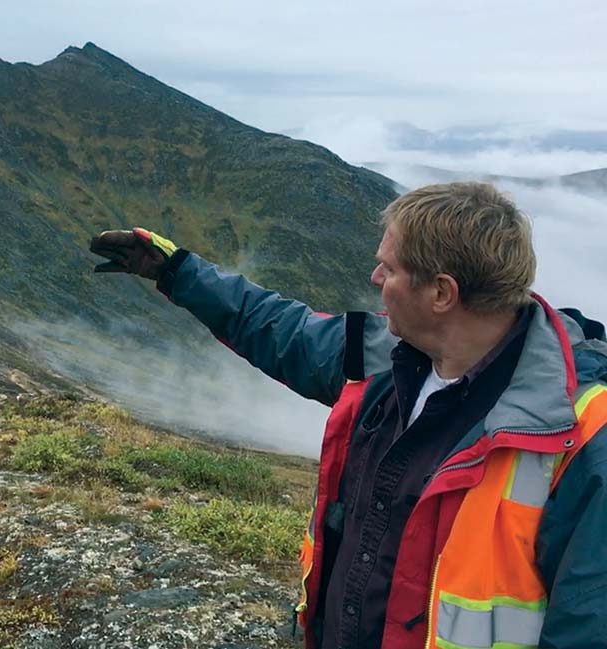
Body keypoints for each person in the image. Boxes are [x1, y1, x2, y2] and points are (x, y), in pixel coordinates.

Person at [89, 182, 607, 649]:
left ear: (441, 293)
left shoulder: (581, 434)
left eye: (391, 267)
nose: (375, 275)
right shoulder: (386, 356)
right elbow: (281, 330)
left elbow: (586, 627)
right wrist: (175, 270)